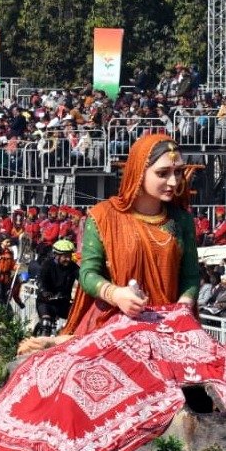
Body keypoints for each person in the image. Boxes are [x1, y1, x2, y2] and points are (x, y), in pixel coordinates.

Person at [63, 134, 200, 336]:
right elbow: (88, 274)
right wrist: (116, 294)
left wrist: (182, 308)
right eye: (162, 173)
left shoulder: (182, 220)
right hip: (112, 322)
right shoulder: (104, 216)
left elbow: (190, 276)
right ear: (139, 172)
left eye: (178, 172)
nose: (173, 181)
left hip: (168, 326)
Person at [34, 240, 80, 336]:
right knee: (46, 323)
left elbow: (82, 278)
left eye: (69, 256)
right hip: (46, 302)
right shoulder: (47, 265)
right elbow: (40, 280)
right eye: (65, 256)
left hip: (63, 303)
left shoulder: (73, 267)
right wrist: (44, 291)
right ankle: (40, 347)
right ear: (57, 255)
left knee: (78, 320)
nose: (68, 259)